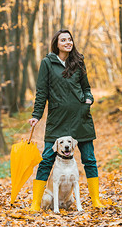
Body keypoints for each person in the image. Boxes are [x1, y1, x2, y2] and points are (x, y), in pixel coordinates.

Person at [28, 29, 105, 212]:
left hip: (80, 117)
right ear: (57, 43)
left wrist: (88, 100)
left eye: (70, 39)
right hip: (57, 119)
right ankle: (35, 204)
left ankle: (96, 200)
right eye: (63, 40)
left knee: (89, 159)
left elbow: (86, 87)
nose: (68, 42)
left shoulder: (78, 62)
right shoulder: (47, 63)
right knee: (47, 159)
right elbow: (42, 92)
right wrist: (37, 115)